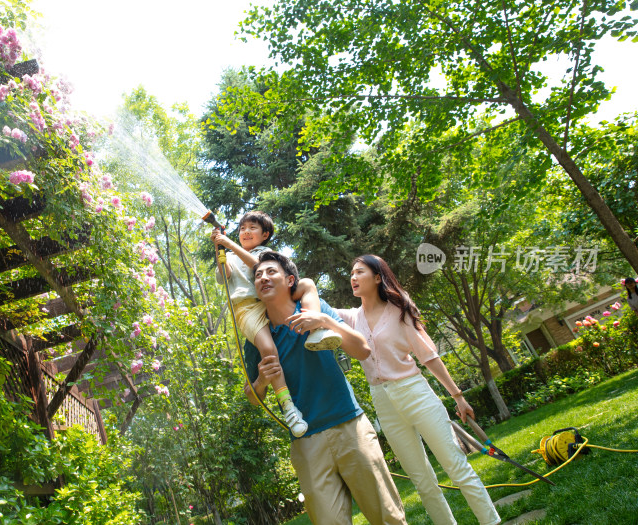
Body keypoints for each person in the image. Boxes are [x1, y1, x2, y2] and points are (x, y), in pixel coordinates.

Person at [244, 250, 407, 525]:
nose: (263, 277)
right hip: (306, 443)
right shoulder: (256, 341)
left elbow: (363, 350)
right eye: (258, 275)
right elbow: (252, 397)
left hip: (350, 426)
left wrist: (325, 322)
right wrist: (260, 381)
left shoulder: (316, 309)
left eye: (271, 272)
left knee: (388, 516)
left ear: (290, 280)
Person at [334, 254, 500, 525]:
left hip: (414, 391)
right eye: (351, 273)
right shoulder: (351, 318)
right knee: (422, 481)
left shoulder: (400, 312)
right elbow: (314, 305)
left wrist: (457, 396)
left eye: (360, 272)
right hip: (383, 400)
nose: (353, 277)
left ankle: (491, 522)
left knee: (456, 467)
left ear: (378, 277)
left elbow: (428, 356)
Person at [211, 211, 341, 437]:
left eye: (252, 228)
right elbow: (223, 276)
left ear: (265, 235)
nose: (246, 232)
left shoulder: (266, 254)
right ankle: (288, 408)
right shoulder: (231, 256)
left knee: (307, 285)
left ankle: (316, 330)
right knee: (269, 350)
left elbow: (259, 268)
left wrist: (230, 243)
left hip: (273, 299)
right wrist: (220, 249)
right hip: (248, 308)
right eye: (242, 228)